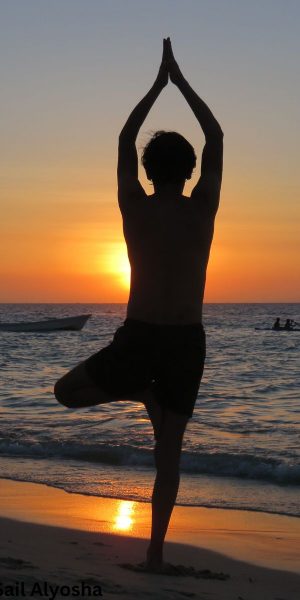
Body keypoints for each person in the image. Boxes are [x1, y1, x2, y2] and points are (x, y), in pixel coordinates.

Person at [54, 38, 223, 572]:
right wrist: (179, 82)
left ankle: (155, 554)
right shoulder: (203, 207)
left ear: (149, 171)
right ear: (190, 169)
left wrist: (157, 84)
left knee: (67, 393)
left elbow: (127, 136)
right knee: (166, 456)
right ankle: (152, 553)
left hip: (154, 338)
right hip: (173, 337)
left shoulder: (135, 205)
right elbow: (215, 133)